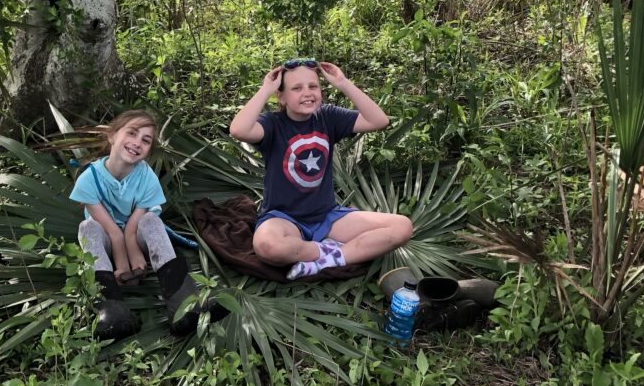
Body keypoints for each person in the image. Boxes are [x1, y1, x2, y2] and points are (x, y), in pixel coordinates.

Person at [229, 59, 413, 279]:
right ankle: (327, 251)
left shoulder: (328, 117)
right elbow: (239, 130)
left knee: (402, 227)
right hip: (283, 219)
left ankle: (328, 258)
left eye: (313, 86)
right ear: (282, 96)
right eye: (296, 88)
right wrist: (266, 88)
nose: (307, 93)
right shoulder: (272, 124)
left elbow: (379, 120)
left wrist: (343, 83)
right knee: (268, 247)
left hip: (328, 217)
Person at [71, 110, 219, 339]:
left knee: (151, 220)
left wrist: (136, 255)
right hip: (107, 241)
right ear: (112, 136)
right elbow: (112, 231)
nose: (137, 143)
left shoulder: (146, 176)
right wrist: (122, 264)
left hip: (136, 235)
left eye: (146, 140)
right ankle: (111, 310)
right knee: (87, 228)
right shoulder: (89, 178)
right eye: (131, 133)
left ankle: (185, 306)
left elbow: (131, 228)